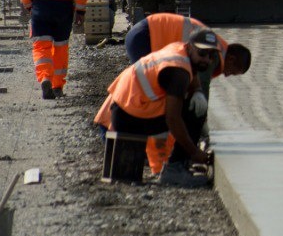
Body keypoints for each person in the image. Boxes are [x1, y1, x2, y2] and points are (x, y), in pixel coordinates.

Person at [96, 13, 251, 177]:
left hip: (124, 103)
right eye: (233, 72)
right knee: (184, 109)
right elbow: (175, 115)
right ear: (231, 59)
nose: (227, 75)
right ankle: (165, 166)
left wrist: (197, 96)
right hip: (145, 37)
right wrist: (195, 147)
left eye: (210, 56)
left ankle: (159, 160)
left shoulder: (187, 48)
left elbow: (196, 83)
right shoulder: (197, 62)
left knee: (151, 95)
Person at [103, 28, 222, 188]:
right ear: (191, 47)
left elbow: (192, 73)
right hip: (129, 119)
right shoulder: (178, 72)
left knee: (195, 100)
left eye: (212, 56)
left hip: (125, 110)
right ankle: (175, 169)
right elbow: (172, 119)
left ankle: (180, 164)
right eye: (202, 53)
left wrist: (198, 91)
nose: (207, 60)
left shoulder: (179, 50)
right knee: (195, 110)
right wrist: (194, 152)